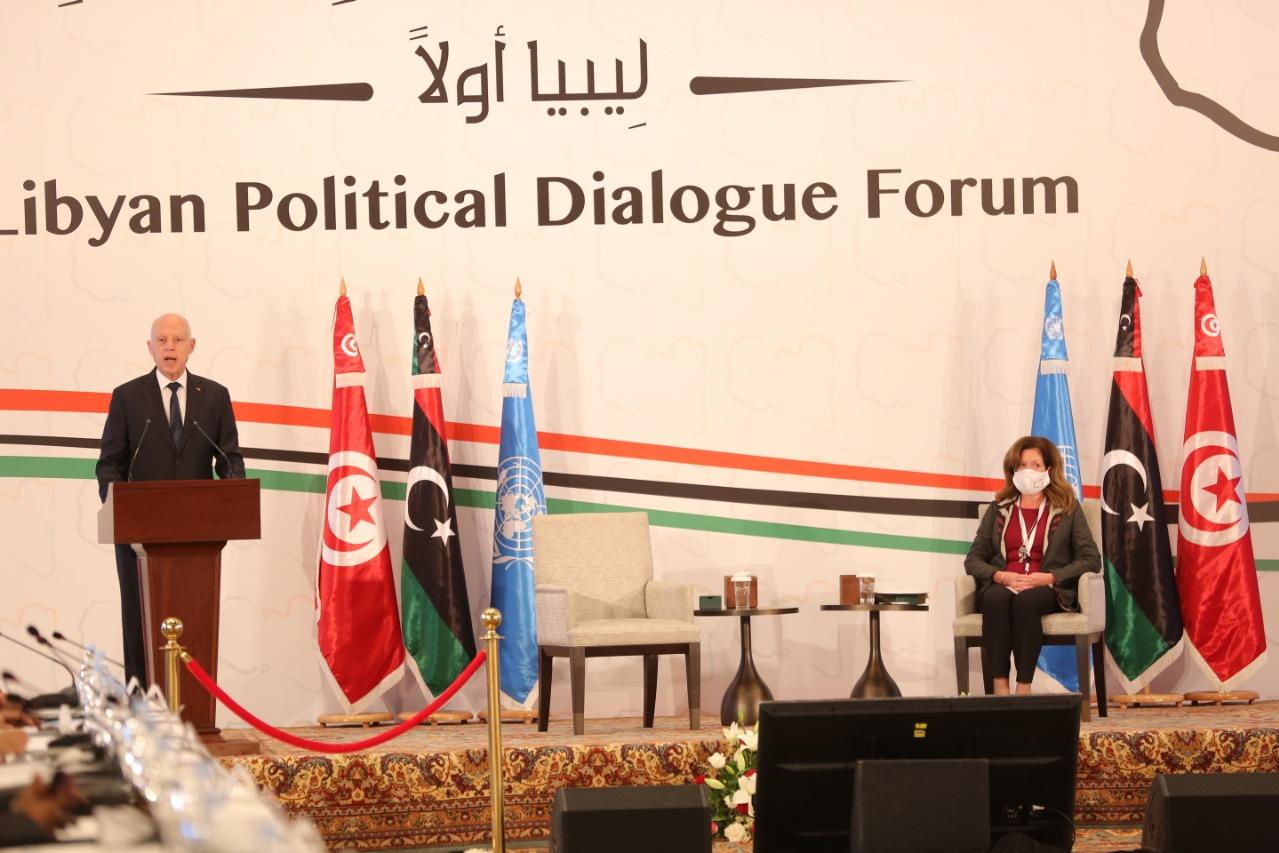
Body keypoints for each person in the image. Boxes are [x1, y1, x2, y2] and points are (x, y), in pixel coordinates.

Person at [95, 314, 245, 687]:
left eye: (177, 340)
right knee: (140, 627)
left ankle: (193, 710)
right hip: (137, 540)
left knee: (195, 626)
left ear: (191, 346)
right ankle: (142, 708)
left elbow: (230, 460)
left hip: (199, 541)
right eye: (161, 340)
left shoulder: (215, 396)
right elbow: (109, 464)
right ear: (150, 348)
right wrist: (118, 509)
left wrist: (233, 500)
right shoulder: (128, 396)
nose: (170, 347)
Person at [964, 435, 1100, 695]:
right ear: (1013, 470)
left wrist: (1050, 577)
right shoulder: (999, 508)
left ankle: (1023, 688)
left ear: (1049, 469)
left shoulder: (1066, 508)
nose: (1028, 471)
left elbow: (1091, 559)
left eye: (1036, 465)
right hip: (1006, 582)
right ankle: (1000, 688)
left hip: (1045, 587)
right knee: (994, 600)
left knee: (1026, 603)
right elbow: (972, 559)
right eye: (1022, 465)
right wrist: (1000, 576)